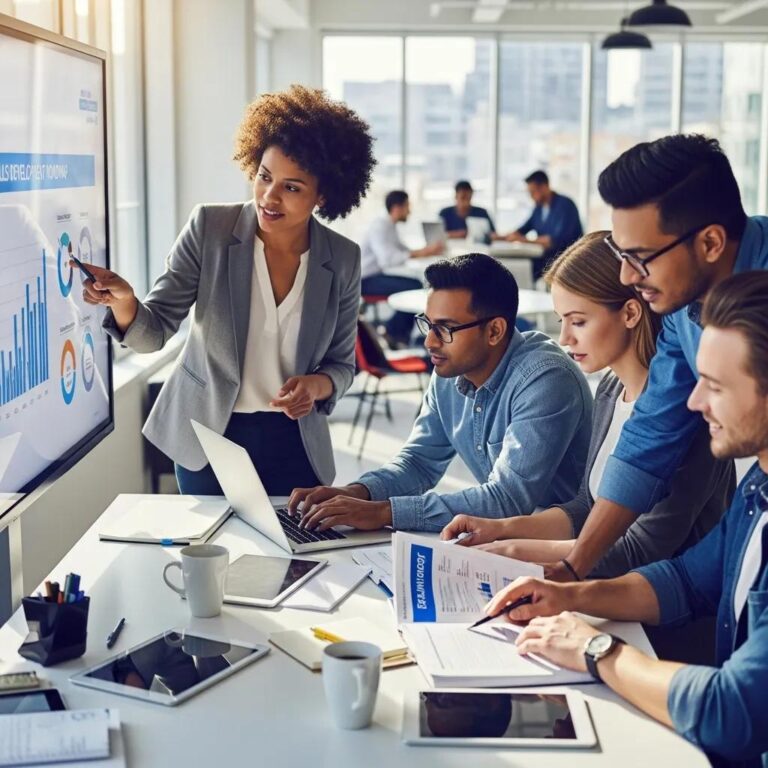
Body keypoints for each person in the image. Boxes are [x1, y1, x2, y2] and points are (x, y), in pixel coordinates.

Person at [484, 272, 768, 768]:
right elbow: (684, 580)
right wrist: (568, 595)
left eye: (716, 386)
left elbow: (733, 708)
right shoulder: (756, 490)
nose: (695, 403)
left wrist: (596, 648)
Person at [74, 85, 375, 495]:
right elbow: (155, 331)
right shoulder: (210, 229)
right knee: (215, 558)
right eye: (265, 177)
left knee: (294, 557)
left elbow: (341, 365)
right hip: (209, 435)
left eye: (292, 187)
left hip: (295, 444)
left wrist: (315, 387)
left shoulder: (342, 258)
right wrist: (127, 302)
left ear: (322, 194)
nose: (269, 196)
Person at [441, 232, 734, 578]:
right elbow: (586, 508)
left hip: (657, 619)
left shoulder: (686, 412)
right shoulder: (611, 389)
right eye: (561, 320)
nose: (564, 338)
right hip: (597, 590)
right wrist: (500, 529)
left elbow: (640, 550)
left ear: (629, 313)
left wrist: (511, 551)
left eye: (578, 321)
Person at [551, 134, 768, 583]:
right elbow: (653, 430)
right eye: (620, 254)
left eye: (640, 258)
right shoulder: (680, 303)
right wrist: (574, 567)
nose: (628, 276)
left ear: (710, 242)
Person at [287, 253, 592, 532]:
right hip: (504, 538)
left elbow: (506, 499)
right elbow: (419, 462)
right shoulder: (451, 367)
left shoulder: (546, 379)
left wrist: (382, 512)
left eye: (445, 329)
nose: (430, 342)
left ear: (495, 331)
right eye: (428, 325)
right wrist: (356, 493)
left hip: (568, 548)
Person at [360, 190, 443, 348]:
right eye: (407, 207)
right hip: (366, 280)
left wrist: (426, 251)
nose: (409, 212)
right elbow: (388, 259)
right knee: (414, 286)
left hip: (375, 276)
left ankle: (396, 332)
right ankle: (393, 331)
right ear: (397, 207)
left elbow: (403, 250)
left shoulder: (389, 225)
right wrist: (423, 252)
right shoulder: (380, 227)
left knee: (416, 283)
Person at [496, 170, 583, 280]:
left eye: (533, 192)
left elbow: (552, 241)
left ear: (544, 186)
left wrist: (523, 240)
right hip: (544, 259)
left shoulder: (565, 205)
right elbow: (522, 229)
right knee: (506, 266)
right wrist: (501, 237)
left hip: (565, 263)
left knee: (519, 270)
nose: (531, 197)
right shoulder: (539, 208)